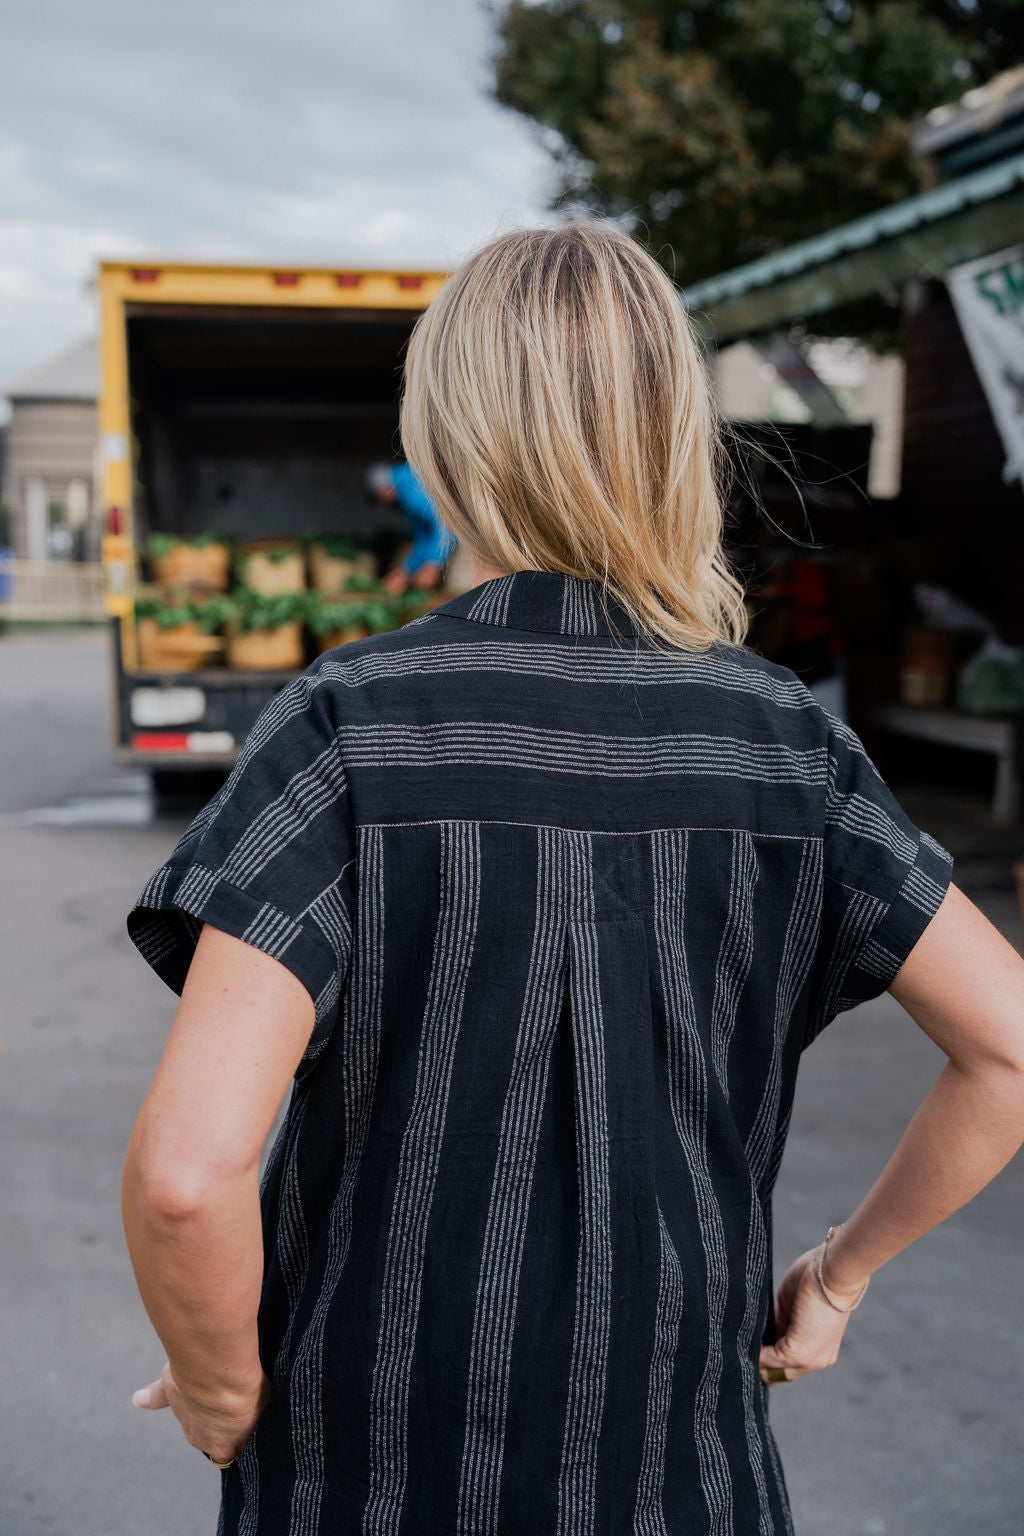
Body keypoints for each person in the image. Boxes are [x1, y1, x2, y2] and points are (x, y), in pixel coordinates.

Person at [122, 223, 1024, 1535]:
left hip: (369, 1482)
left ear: (446, 432)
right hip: (682, 1485)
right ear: (671, 432)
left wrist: (217, 1383)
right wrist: (836, 1276)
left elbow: (186, 1178)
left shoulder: (348, 724)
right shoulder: (785, 740)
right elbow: (1010, 1049)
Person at [363, 459, 455, 593]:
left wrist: (434, 563)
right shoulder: (405, 488)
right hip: (453, 537)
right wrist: (404, 571)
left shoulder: (411, 492)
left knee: (459, 587)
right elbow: (424, 536)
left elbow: (447, 521)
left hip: (466, 535)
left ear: (384, 490)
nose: (383, 504)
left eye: (379, 499)